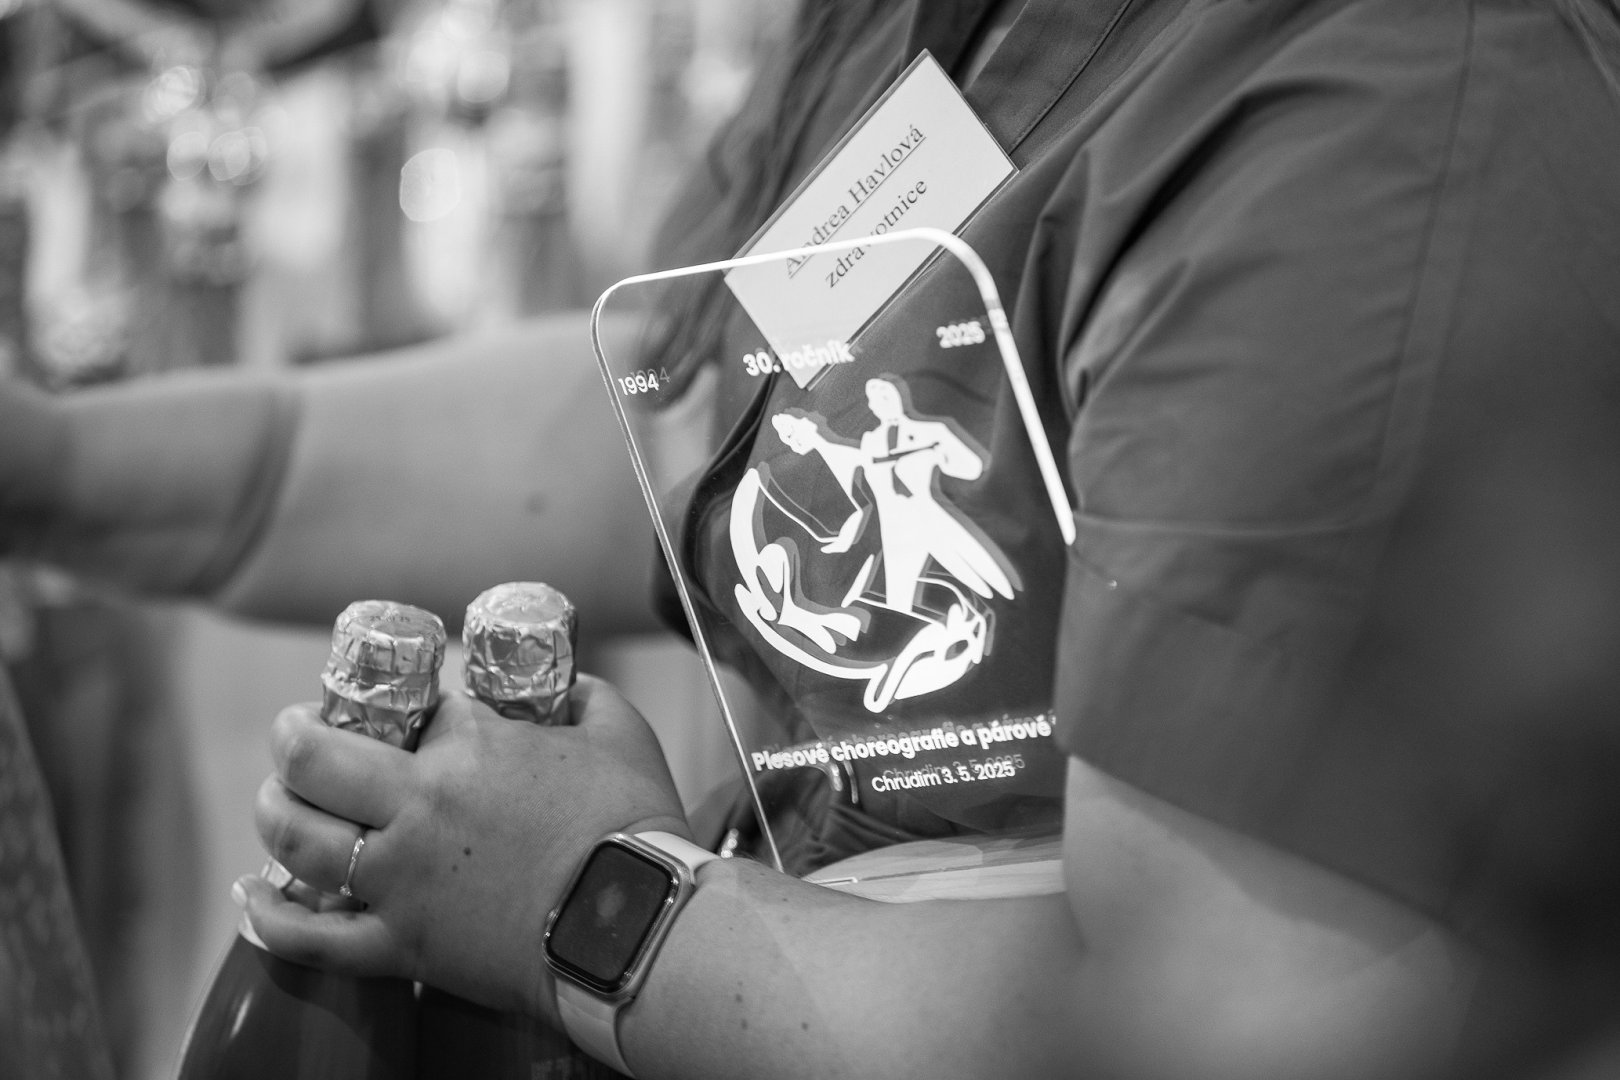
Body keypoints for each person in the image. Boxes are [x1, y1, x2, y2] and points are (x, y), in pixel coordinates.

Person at [4, 0, 1620, 1077]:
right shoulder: (945, 24)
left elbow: (1230, 1012)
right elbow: (692, 413)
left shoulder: (1385, 109)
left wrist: (593, 903)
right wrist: (73, 470)